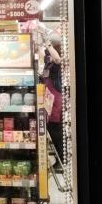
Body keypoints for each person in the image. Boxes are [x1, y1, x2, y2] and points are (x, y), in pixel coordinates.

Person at [42, 34, 64, 163]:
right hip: (48, 97)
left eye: (48, 48)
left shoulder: (57, 61)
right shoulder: (48, 62)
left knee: (55, 128)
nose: (46, 50)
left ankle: (60, 158)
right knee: (50, 127)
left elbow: (57, 59)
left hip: (55, 98)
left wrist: (48, 43)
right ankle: (58, 158)